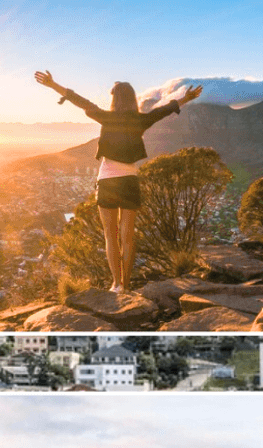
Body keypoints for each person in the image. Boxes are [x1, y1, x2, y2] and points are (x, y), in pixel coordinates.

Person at [34, 71, 202, 292]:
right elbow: (164, 110)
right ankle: (128, 283)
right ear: (132, 99)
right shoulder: (141, 119)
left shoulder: (106, 117)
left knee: (110, 237)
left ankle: (117, 284)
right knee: (128, 237)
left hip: (107, 181)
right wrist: (185, 99)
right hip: (129, 182)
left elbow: (79, 100)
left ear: (115, 99)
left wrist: (53, 84)